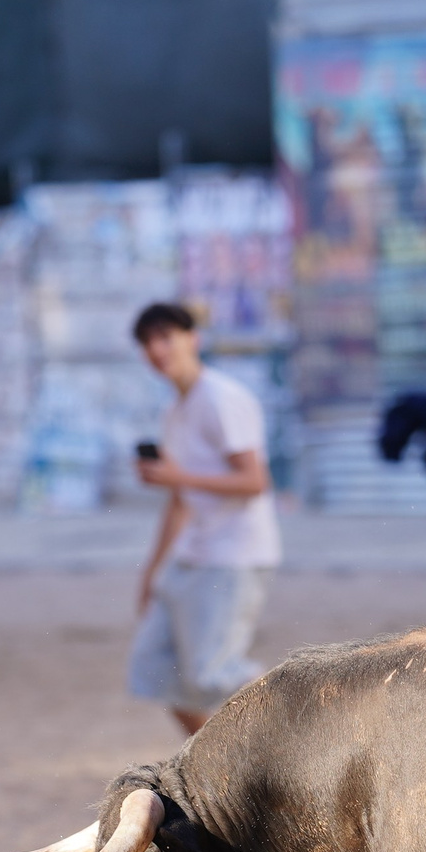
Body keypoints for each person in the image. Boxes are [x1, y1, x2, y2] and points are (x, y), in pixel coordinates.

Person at [127, 302, 278, 736]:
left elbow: (254, 481)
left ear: (191, 338)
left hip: (235, 554)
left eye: (165, 336)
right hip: (191, 555)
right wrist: (151, 570)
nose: (157, 349)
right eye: (147, 342)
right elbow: (179, 501)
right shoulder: (175, 411)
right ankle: (216, 773)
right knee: (155, 670)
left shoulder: (222, 399)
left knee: (216, 675)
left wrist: (180, 475)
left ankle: (298, 719)